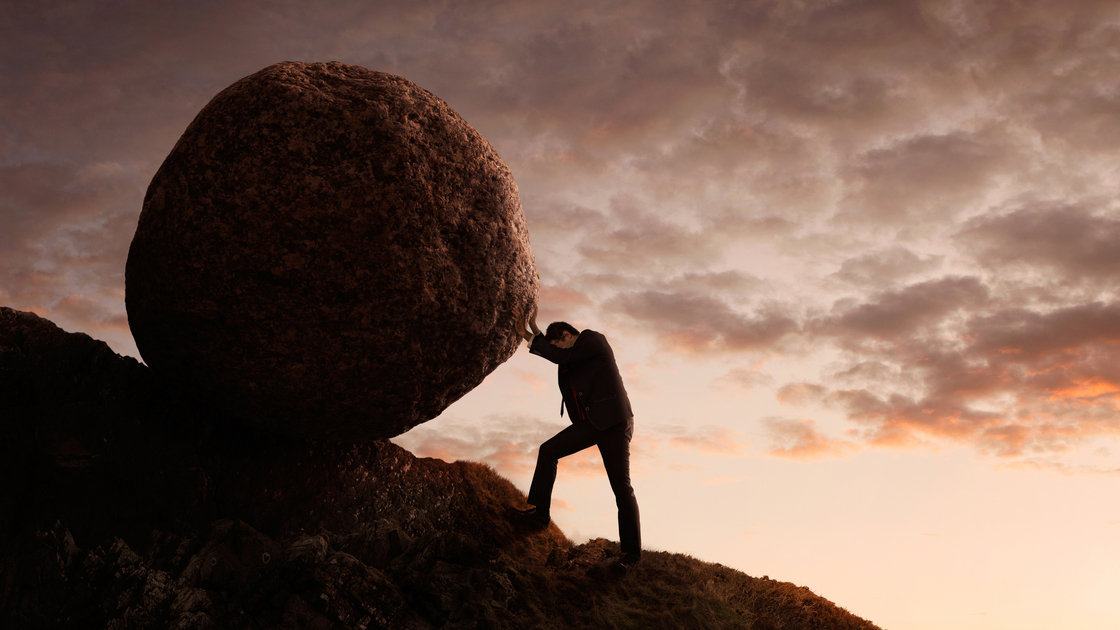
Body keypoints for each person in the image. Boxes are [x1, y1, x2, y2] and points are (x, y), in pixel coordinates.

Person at [512, 304, 641, 572]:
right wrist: (536, 330)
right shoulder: (571, 355)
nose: (561, 349)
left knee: (621, 488)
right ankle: (540, 514)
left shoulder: (592, 339)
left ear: (569, 335)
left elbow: (560, 356)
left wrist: (528, 335)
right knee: (548, 451)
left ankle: (631, 555)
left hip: (614, 423)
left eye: (560, 342)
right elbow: (558, 354)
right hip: (591, 424)